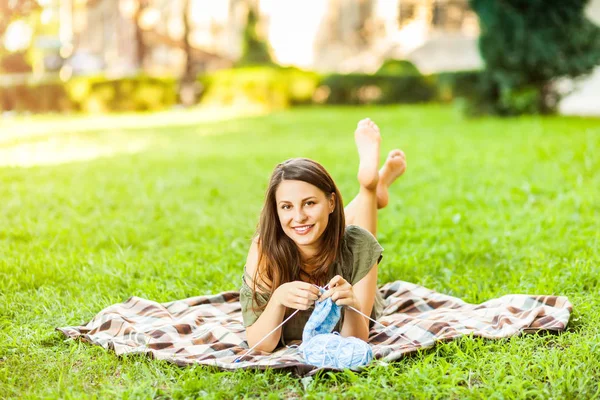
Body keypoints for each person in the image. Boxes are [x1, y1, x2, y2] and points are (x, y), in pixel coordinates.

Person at [240, 118, 406, 353]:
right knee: (317, 227)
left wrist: (351, 304)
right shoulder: (264, 249)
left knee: (355, 238)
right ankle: (373, 187)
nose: (297, 216)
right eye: (286, 206)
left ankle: (369, 186)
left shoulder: (358, 246)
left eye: (309, 202)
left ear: (331, 201)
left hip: (351, 268)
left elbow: (356, 340)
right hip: (322, 230)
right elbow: (260, 345)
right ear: (275, 211)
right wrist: (277, 299)